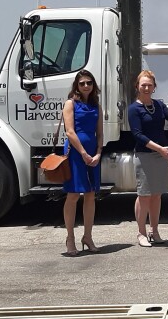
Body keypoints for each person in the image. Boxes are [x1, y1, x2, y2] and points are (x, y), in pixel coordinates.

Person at [61, 70, 103, 256]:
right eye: (82, 83)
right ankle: (70, 238)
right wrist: (84, 153)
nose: (86, 86)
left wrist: (99, 153)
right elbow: (70, 132)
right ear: (76, 86)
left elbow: (100, 133)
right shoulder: (70, 104)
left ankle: (88, 236)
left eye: (89, 83)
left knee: (90, 194)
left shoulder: (96, 106)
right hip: (76, 153)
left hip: (93, 152)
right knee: (73, 194)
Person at [129, 70, 168, 247]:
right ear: (137, 86)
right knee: (144, 195)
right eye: (143, 85)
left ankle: (154, 231)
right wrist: (160, 148)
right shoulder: (134, 109)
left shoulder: (160, 106)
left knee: (156, 195)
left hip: (161, 155)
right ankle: (141, 233)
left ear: (154, 87)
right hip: (145, 155)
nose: (146, 88)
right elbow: (138, 135)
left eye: (150, 85)